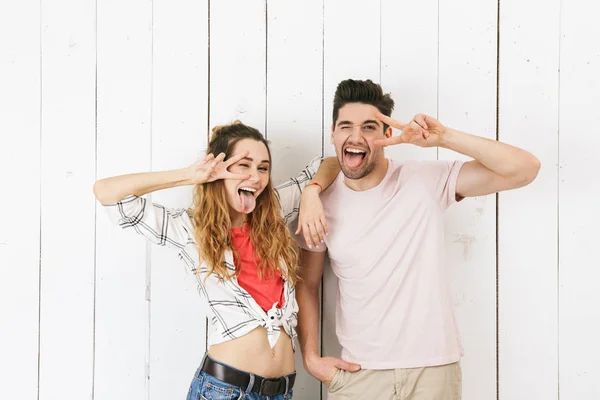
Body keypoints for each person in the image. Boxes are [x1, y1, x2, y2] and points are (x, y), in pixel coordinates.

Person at [294, 79, 541, 400]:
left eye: (370, 127)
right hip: (358, 376)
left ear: (387, 136)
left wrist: (445, 137)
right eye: (346, 127)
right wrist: (311, 360)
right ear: (333, 134)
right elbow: (307, 283)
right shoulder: (320, 203)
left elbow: (525, 169)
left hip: (433, 371)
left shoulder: (424, 180)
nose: (356, 137)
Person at [93, 121, 337, 400]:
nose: (255, 177)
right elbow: (107, 193)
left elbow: (331, 163)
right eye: (243, 165)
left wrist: (311, 190)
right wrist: (190, 175)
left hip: (280, 392)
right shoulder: (189, 229)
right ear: (218, 169)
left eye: (263, 168)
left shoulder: (275, 212)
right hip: (223, 391)